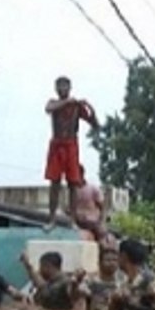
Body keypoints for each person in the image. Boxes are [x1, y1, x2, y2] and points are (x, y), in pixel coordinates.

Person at [43, 76, 99, 232]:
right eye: (59, 86)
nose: (62, 89)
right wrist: (67, 102)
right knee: (54, 182)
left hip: (71, 145)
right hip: (57, 144)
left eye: (65, 86)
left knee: (73, 183)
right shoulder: (54, 103)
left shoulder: (76, 107)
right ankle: (52, 218)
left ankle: (72, 220)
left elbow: (94, 125)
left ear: (70, 88)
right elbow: (49, 109)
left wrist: (90, 109)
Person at [68, 245, 122, 310]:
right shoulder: (91, 281)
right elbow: (75, 296)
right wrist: (75, 283)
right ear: (99, 263)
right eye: (108, 260)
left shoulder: (122, 282)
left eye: (115, 260)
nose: (112, 263)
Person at [72, 166, 107, 242]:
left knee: (102, 237)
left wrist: (101, 222)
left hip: (92, 223)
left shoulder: (93, 189)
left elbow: (102, 207)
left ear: (81, 174)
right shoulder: (72, 192)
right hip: (78, 223)